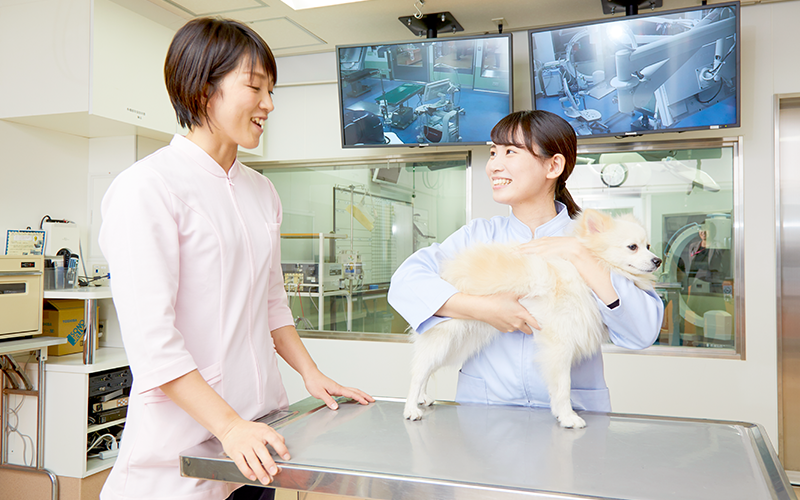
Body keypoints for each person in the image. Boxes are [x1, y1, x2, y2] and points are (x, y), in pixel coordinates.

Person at [98, 17, 373, 500]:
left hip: (258, 433)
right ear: (203, 89)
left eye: (271, 90)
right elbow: (153, 341)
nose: (268, 104)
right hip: (187, 445)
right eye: (254, 87)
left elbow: (271, 301)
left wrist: (311, 374)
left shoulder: (261, 191)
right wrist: (227, 426)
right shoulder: (147, 187)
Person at [388, 110, 663, 413]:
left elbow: (642, 331)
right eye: (493, 153)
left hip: (575, 409)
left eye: (510, 152)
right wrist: (486, 309)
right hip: (487, 411)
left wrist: (579, 255)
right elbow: (405, 282)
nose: (494, 165)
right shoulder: (479, 235)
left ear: (553, 165)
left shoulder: (594, 240)